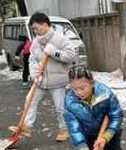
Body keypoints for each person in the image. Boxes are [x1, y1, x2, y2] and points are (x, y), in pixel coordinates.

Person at [10, 12, 76, 142]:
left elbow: (71, 57)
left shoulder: (60, 39)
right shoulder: (36, 42)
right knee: (30, 100)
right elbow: (32, 60)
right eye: (33, 29)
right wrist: (35, 74)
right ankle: (27, 126)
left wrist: (54, 52)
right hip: (40, 81)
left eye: (36, 28)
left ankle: (65, 129)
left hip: (57, 81)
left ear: (45, 25)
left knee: (60, 107)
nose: (34, 31)